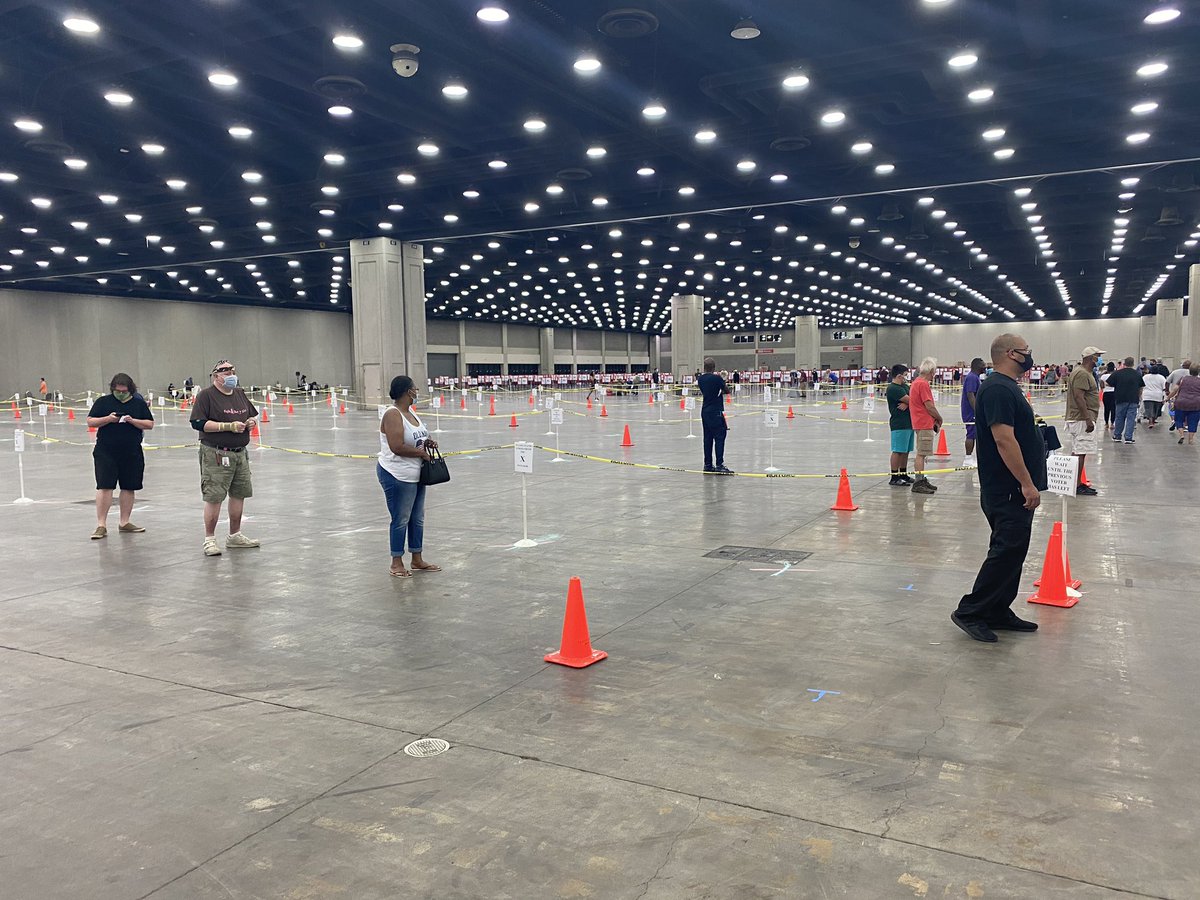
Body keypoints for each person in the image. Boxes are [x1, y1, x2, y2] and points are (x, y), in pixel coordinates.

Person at [951, 334, 1046, 643]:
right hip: (1007, 489)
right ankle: (971, 610)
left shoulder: (1006, 388)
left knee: (1014, 550)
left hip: (1012, 488)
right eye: (1026, 351)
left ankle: (997, 609)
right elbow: (1004, 440)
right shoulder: (997, 389)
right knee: (1006, 550)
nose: (1030, 356)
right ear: (1010, 354)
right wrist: (1026, 483)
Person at [190, 360, 260, 557]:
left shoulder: (239, 393)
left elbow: (250, 414)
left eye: (231, 370)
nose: (229, 374)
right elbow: (198, 423)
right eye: (224, 371)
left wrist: (251, 422)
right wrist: (226, 426)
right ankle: (209, 539)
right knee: (214, 496)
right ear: (215, 376)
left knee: (239, 493)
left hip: (240, 453)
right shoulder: (206, 396)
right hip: (216, 453)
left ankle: (234, 535)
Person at [378, 374, 441, 577]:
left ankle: (417, 559)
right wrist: (421, 453)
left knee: (417, 519)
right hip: (397, 475)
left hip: (416, 474)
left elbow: (420, 435)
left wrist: (428, 443)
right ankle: (396, 562)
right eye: (414, 388)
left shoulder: (411, 412)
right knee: (401, 519)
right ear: (407, 391)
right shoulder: (393, 414)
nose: (417, 391)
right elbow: (396, 446)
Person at [86, 373, 154, 540]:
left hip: (131, 451)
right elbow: (90, 421)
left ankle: (125, 522)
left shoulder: (138, 403)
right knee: (105, 486)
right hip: (106, 450)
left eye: (124, 391)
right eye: (117, 391)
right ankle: (101, 524)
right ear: (112, 389)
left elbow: (149, 424)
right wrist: (108, 419)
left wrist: (133, 421)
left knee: (129, 486)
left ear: (130, 390)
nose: (121, 394)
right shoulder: (103, 402)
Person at [1064, 347, 1102, 495]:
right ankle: (1076, 484)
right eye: (1097, 356)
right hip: (1081, 419)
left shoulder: (1084, 372)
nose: (1099, 359)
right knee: (1080, 451)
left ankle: (1076, 481)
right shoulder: (1081, 373)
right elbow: (1079, 397)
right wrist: (1087, 419)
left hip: (1081, 418)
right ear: (1091, 358)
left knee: (1080, 451)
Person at [907, 357, 943, 494]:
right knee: (921, 454)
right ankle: (918, 482)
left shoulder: (916, 383)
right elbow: (929, 406)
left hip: (919, 421)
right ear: (931, 371)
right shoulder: (923, 384)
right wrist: (939, 418)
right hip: (924, 422)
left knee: (922, 452)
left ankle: (921, 479)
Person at [698, 358, 731, 474]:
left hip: (705, 411)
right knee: (719, 437)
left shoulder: (700, 379)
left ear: (704, 367)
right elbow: (727, 390)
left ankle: (707, 464)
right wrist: (723, 379)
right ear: (714, 367)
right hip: (716, 411)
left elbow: (710, 391)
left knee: (707, 438)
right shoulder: (717, 378)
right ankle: (719, 464)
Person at [886, 364, 914, 486]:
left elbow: (914, 398)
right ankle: (894, 476)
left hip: (909, 422)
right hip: (899, 423)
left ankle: (903, 473)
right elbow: (914, 400)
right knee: (898, 450)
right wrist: (909, 401)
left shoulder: (904, 386)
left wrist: (908, 403)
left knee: (906, 450)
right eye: (905, 376)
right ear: (898, 376)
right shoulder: (893, 388)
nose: (906, 378)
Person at [1108, 356, 1144, 444]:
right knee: (1131, 419)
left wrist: (1118, 386)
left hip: (1120, 398)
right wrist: (1139, 397)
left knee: (1119, 417)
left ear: (1124, 363)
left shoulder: (1118, 373)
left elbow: (1108, 383)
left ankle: (1117, 436)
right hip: (1133, 399)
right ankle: (1128, 438)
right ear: (1133, 364)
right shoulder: (1137, 374)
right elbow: (1141, 387)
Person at [961, 357, 985, 468]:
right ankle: (967, 459)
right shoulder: (972, 378)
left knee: (974, 434)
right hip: (971, 412)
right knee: (971, 433)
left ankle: (970, 458)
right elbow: (970, 396)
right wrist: (978, 411)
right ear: (978, 366)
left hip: (972, 412)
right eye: (983, 365)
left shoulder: (975, 377)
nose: (985, 367)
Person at [1167, 363, 1200, 445]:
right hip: (1195, 404)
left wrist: (1168, 398)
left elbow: (1175, 390)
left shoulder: (1183, 379)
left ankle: (1182, 435)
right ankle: (1191, 439)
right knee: (1193, 421)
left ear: (1189, 370)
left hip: (1181, 402)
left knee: (1179, 419)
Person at [1167, 360, 1194, 432]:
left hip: (1174, 393)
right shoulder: (1192, 374)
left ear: (1182, 365)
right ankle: (1185, 424)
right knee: (1185, 410)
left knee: (1172, 408)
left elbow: (1167, 381)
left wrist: (1167, 391)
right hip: (1187, 395)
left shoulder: (1175, 372)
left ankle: (1173, 420)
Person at [1141, 364, 1167, 429]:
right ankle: (1153, 420)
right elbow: (1164, 388)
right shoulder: (1161, 377)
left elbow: (1141, 385)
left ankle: (1150, 421)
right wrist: (1164, 397)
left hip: (1147, 395)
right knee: (1156, 409)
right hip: (1158, 396)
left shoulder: (1145, 377)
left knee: (1148, 409)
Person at [1100, 361, 1116, 431]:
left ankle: (1106, 423)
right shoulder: (1115, 375)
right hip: (1114, 393)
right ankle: (1112, 423)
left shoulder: (1103, 376)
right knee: (1113, 409)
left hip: (1106, 393)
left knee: (1106, 409)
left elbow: (1101, 385)